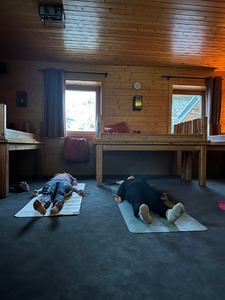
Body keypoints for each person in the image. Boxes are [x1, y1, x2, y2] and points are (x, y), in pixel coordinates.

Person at [112, 175, 185, 224]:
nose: (131, 176)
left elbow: (150, 188)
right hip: (132, 189)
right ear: (127, 178)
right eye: (130, 176)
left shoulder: (141, 180)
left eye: (133, 175)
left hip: (145, 188)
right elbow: (121, 190)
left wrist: (159, 195)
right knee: (137, 199)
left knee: (154, 198)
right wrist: (119, 196)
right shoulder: (125, 182)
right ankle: (142, 214)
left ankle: (169, 214)